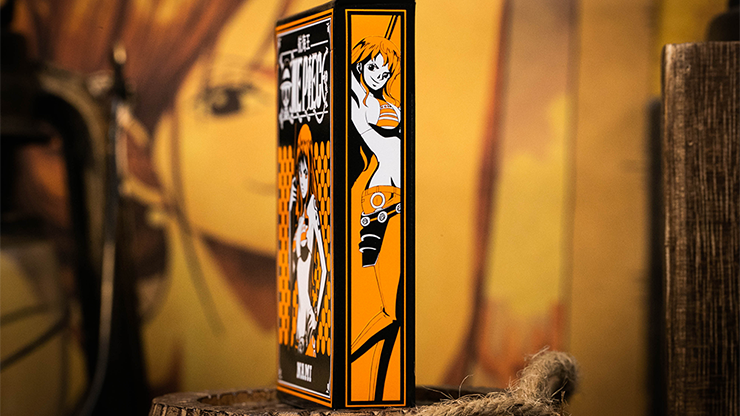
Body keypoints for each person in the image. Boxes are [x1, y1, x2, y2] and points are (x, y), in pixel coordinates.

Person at [349, 35, 403, 400]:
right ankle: (352, 352)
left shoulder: (384, 100)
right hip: (380, 191)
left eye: (385, 72)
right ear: (359, 67)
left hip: (393, 192)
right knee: (386, 305)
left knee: (392, 305)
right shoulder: (359, 100)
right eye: (372, 68)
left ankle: (373, 379)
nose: (379, 76)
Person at [289, 124, 328, 355]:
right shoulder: (299, 213)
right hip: (300, 306)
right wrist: (291, 206)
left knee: (305, 353)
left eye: (306, 173)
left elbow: (324, 267)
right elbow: (289, 259)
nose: (302, 180)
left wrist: (317, 307)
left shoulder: (312, 209)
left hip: (309, 308)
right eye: (299, 173)